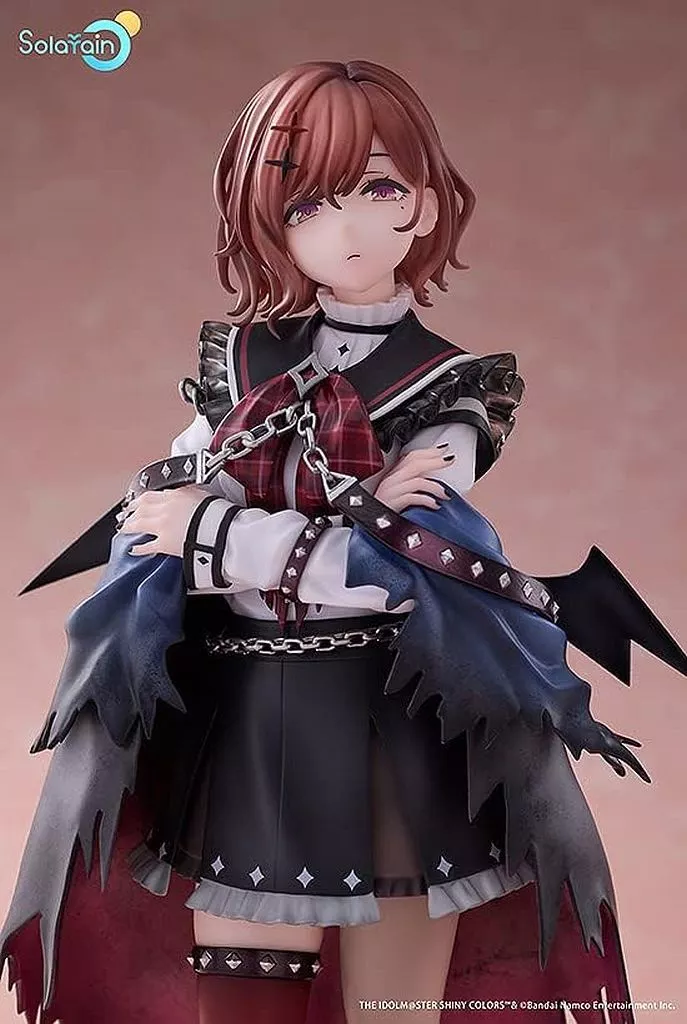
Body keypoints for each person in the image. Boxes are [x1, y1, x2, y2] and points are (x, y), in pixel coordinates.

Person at [2, 59, 684, 1024]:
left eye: (378, 189)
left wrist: (217, 531)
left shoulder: (452, 388)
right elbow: (153, 523)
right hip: (248, 721)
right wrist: (287, 527)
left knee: (392, 1008)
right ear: (267, 219)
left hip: (397, 729)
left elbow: (404, 569)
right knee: (241, 999)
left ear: (427, 202)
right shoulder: (238, 362)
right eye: (308, 203)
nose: (347, 226)